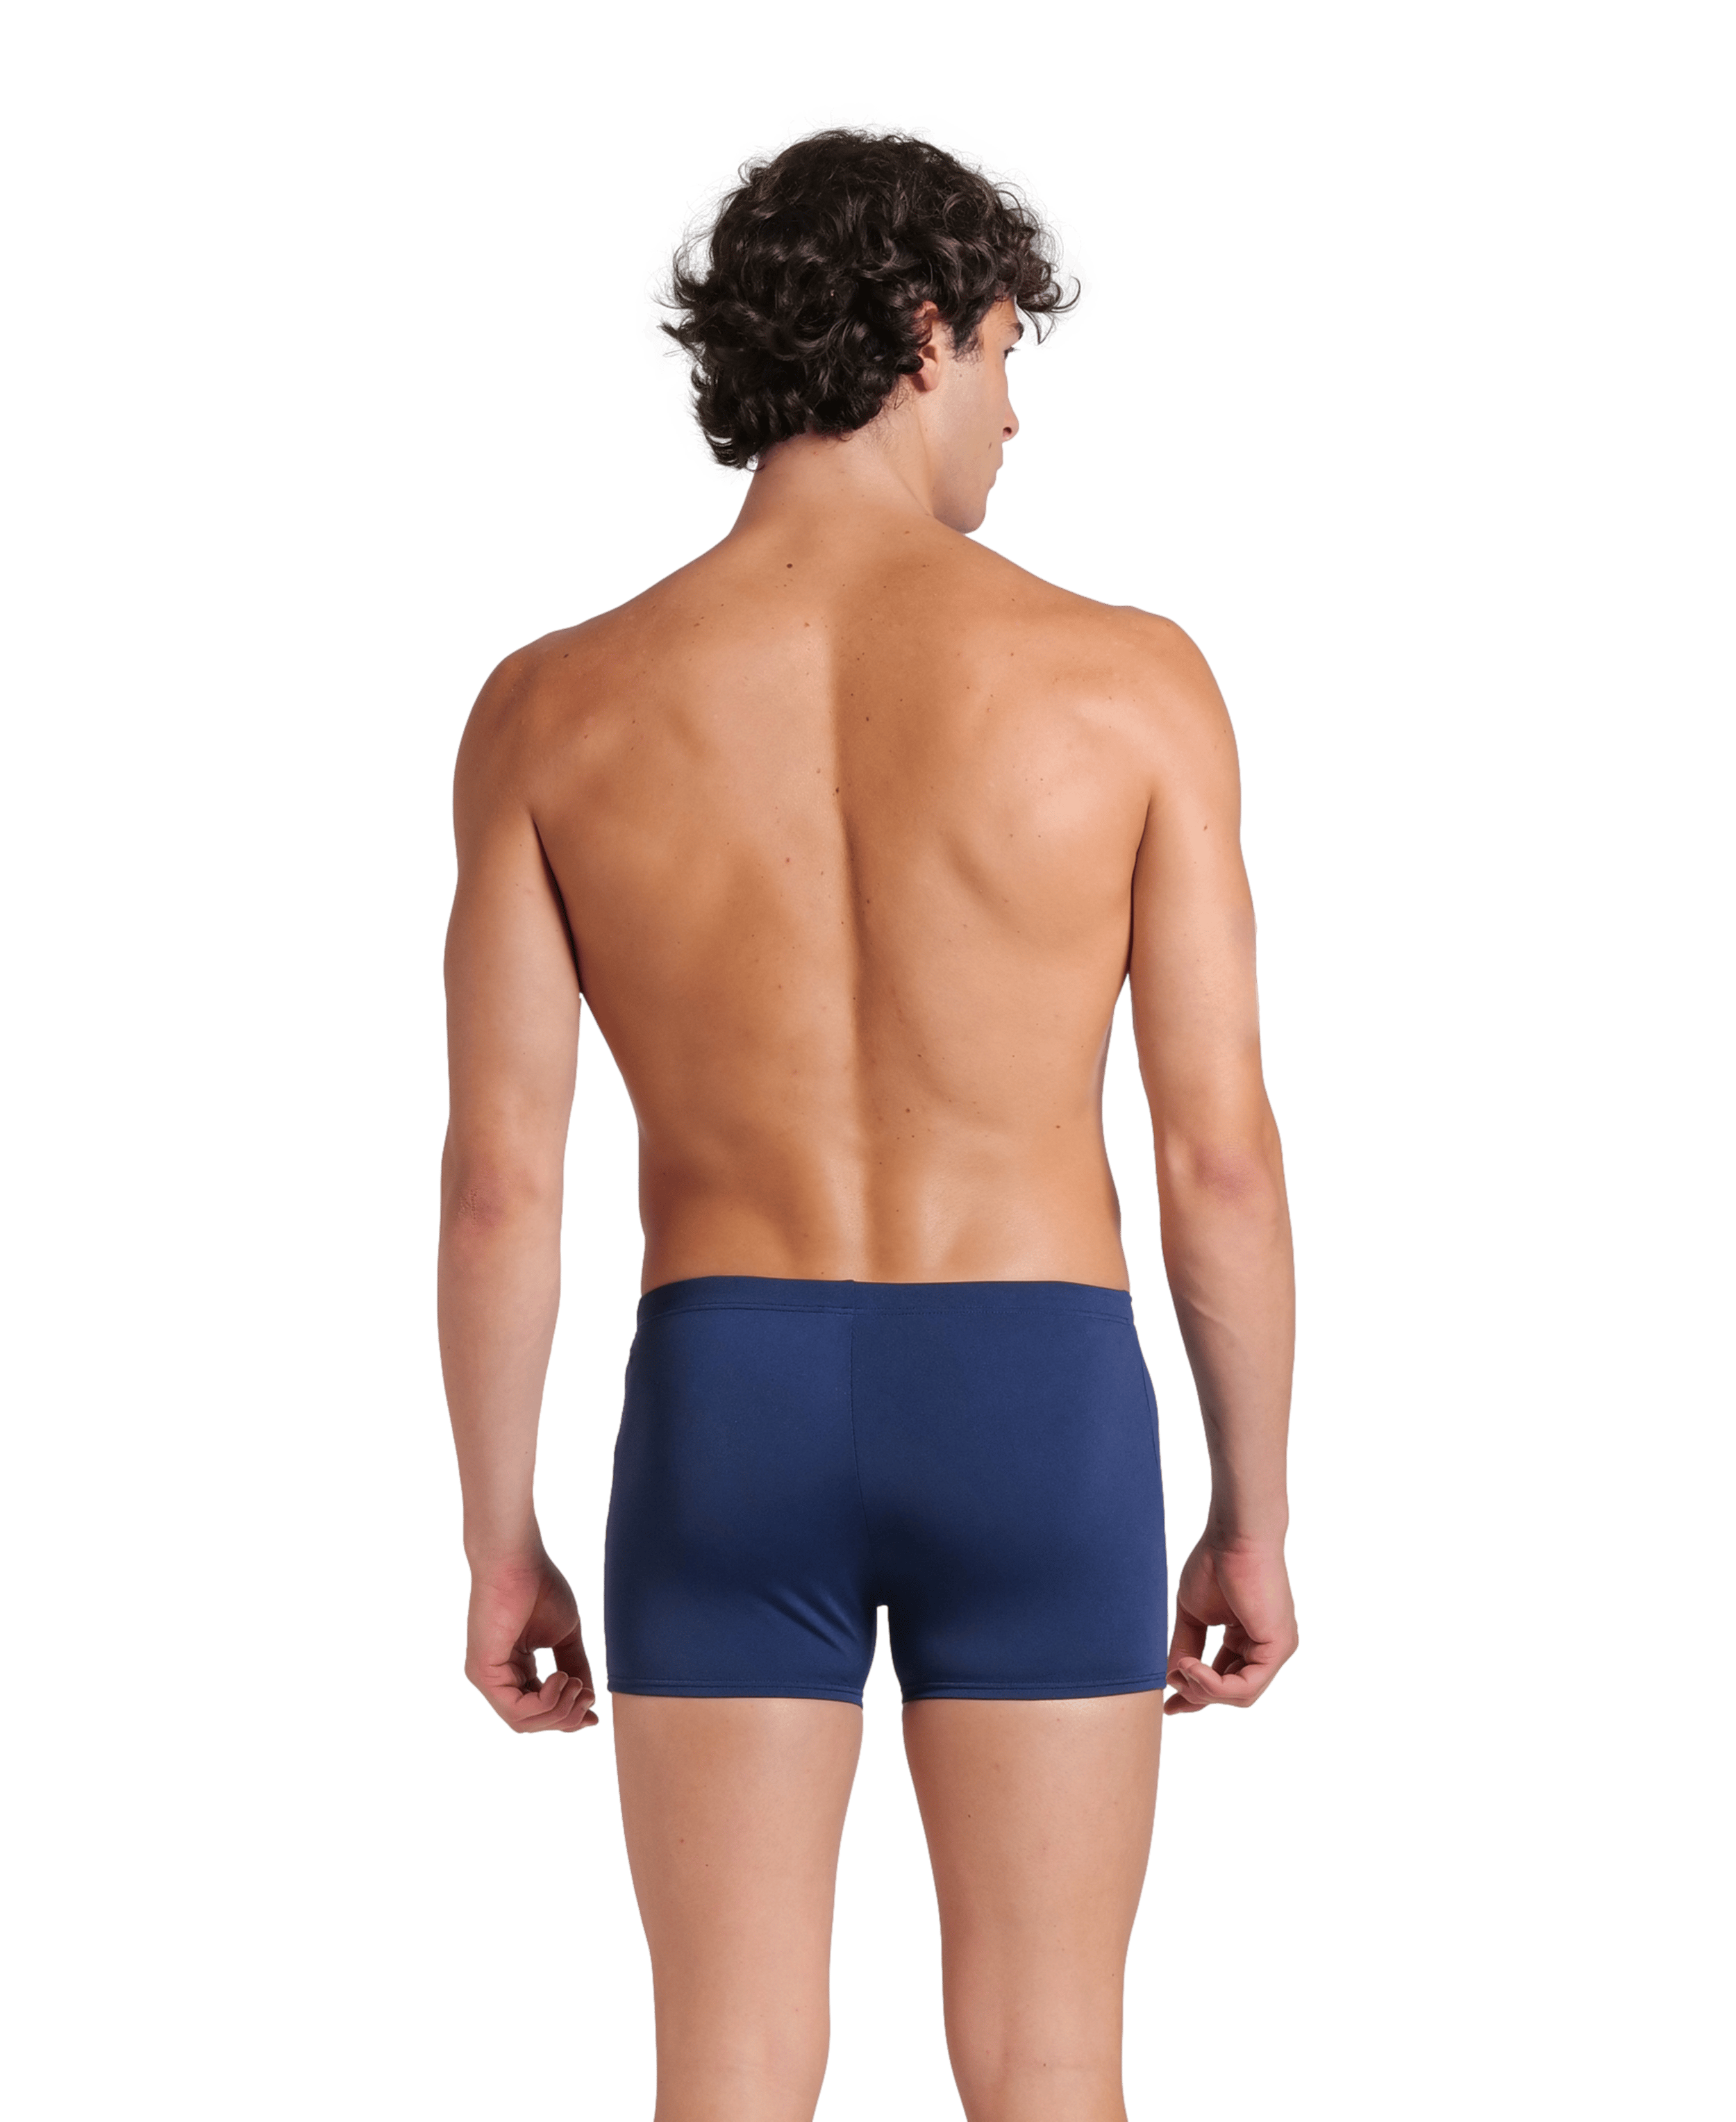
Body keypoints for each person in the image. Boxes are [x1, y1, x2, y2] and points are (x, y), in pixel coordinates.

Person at [437, 104, 1299, 2122]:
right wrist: (1252, 1517)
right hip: (1035, 1393)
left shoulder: (553, 705)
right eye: (1003, 354)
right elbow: (1216, 1158)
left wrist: (500, 1543)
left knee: (727, 2070)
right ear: (921, 331)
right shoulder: (1129, 680)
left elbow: (499, 1187)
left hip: (726, 1398)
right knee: (1049, 2064)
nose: (1014, 413)